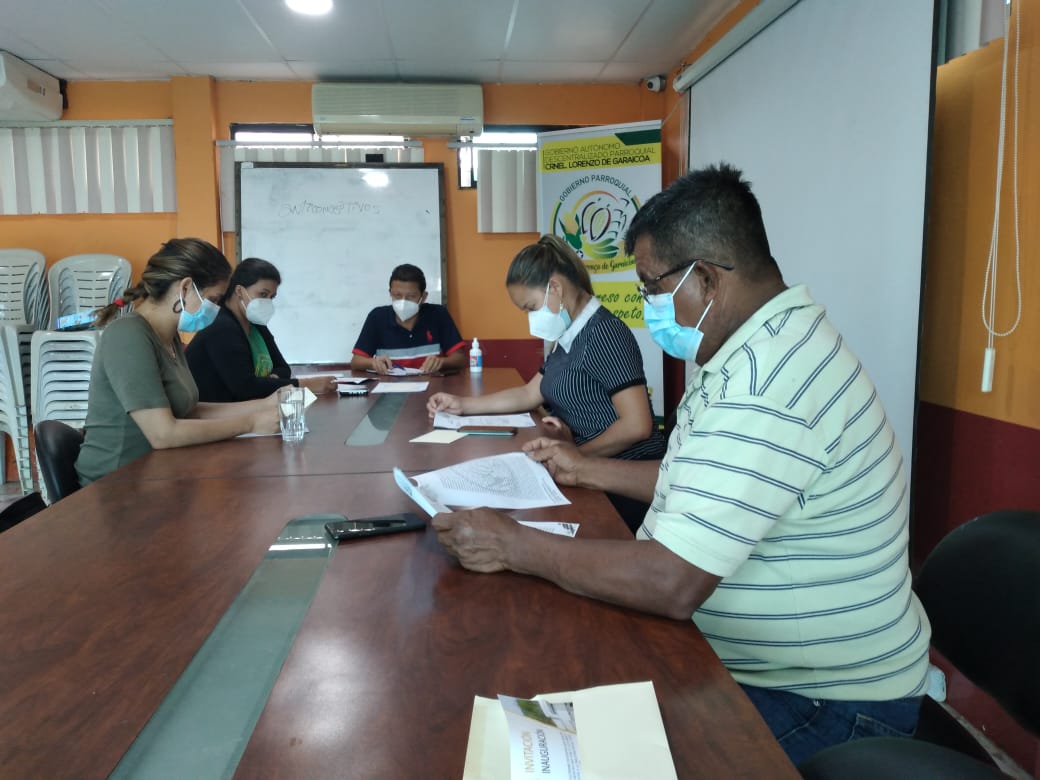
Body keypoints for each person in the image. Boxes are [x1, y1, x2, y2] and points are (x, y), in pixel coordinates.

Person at [430, 165, 931, 766]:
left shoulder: (767, 381)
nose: (646, 305)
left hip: (823, 700)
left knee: (565, 747)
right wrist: (584, 470)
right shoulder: (751, 348)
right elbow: (695, 480)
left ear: (707, 279)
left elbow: (673, 581)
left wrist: (513, 544)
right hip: (743, 659)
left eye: (651, 286)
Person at [427, 235, 665, 530]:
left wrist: (575, 456)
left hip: (623, 480)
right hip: (586, 469)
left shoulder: (604, 333)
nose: (530, 318)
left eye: (530, 307)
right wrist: (462, 405)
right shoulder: (568, 335)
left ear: (555, 288)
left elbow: (637, 425)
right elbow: (530, 392)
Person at [75, 238, 280, 485]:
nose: (216, 309)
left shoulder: (169, 337)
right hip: (114, 485)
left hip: (158, 475)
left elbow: (191, 411)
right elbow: (163, 433)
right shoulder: (127, 335)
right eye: (214, 300)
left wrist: (265, 404)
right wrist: (251, 422)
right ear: (185, 288)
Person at [185, 257, 337, 401]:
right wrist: (305, 385)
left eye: (272, 297)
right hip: (214, 412)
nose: (267, 302)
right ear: (239, 291)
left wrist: (269, 381)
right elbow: (245, 387)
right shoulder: (221, 326)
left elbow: (283, 368)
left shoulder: (256, 324)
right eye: (263, 294)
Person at [350, 264, 467, 375]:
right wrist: (373, 363)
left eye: (411, 296)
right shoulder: (377, 317)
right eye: (397, 295)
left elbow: (460, 359)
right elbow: (356, 361)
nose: (403, 301)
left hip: (432, 385)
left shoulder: (438, 314)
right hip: (390, 386)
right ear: (390, 293)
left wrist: (441, 362)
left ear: (423, 297)